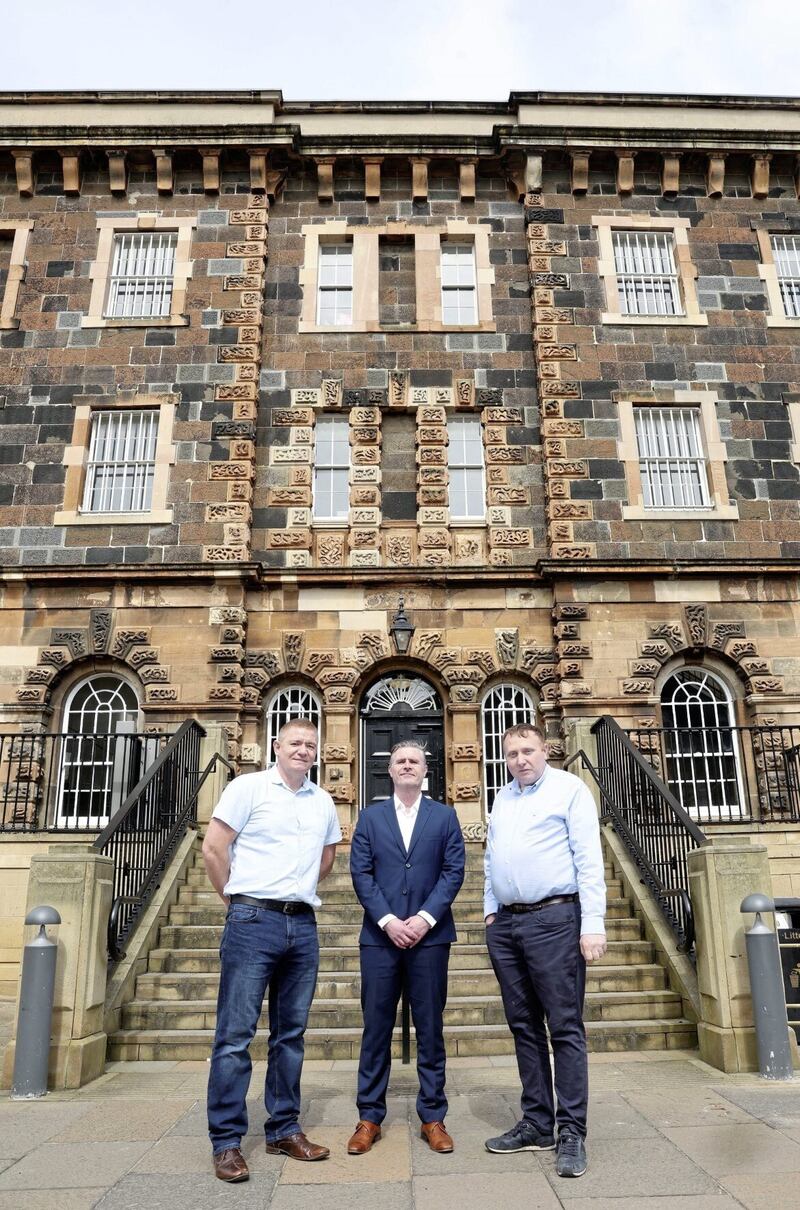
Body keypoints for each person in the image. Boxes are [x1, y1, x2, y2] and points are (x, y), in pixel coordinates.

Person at [202, 717, 341, 1183]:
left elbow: (327, 857)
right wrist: (236, 899)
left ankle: (283, 1127)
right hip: (252, 918)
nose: (303, 749)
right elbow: (214, 848)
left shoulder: (322, 800)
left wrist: (294, 890)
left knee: (290, 1035)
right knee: (235, 1036)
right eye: (295, 742)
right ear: (276, 746)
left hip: (301, 923)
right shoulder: (248, 788)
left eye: (310, 744)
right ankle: (226, 1142)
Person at [483, 724, 606, 1179]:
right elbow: (492, 857)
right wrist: (490, 912)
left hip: (556, 920)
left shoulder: (570, 790)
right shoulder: (503, 797)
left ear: (544, 750)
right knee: (523, 1026)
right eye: (512, 753)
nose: (520, 760)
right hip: (508, 924)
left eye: (528, 751)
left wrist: (592, 925)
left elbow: (588, 858)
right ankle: (537, 1122)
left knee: (565, 1027)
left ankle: (571, 1129)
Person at [348, 740, 465, 1156]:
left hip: (430, 938)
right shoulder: (370, 816)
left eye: (414, 760)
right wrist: (388, 921)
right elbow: (361, 873)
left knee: (431, 1029)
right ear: (391, 770)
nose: (407, 766)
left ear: (425, 768)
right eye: (400, 760)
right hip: (380, 939)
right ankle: (369, 1117)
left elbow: (454, 872)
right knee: (375, 1028)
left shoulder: (445, 816)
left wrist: (423, 919)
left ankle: (432, 1117)